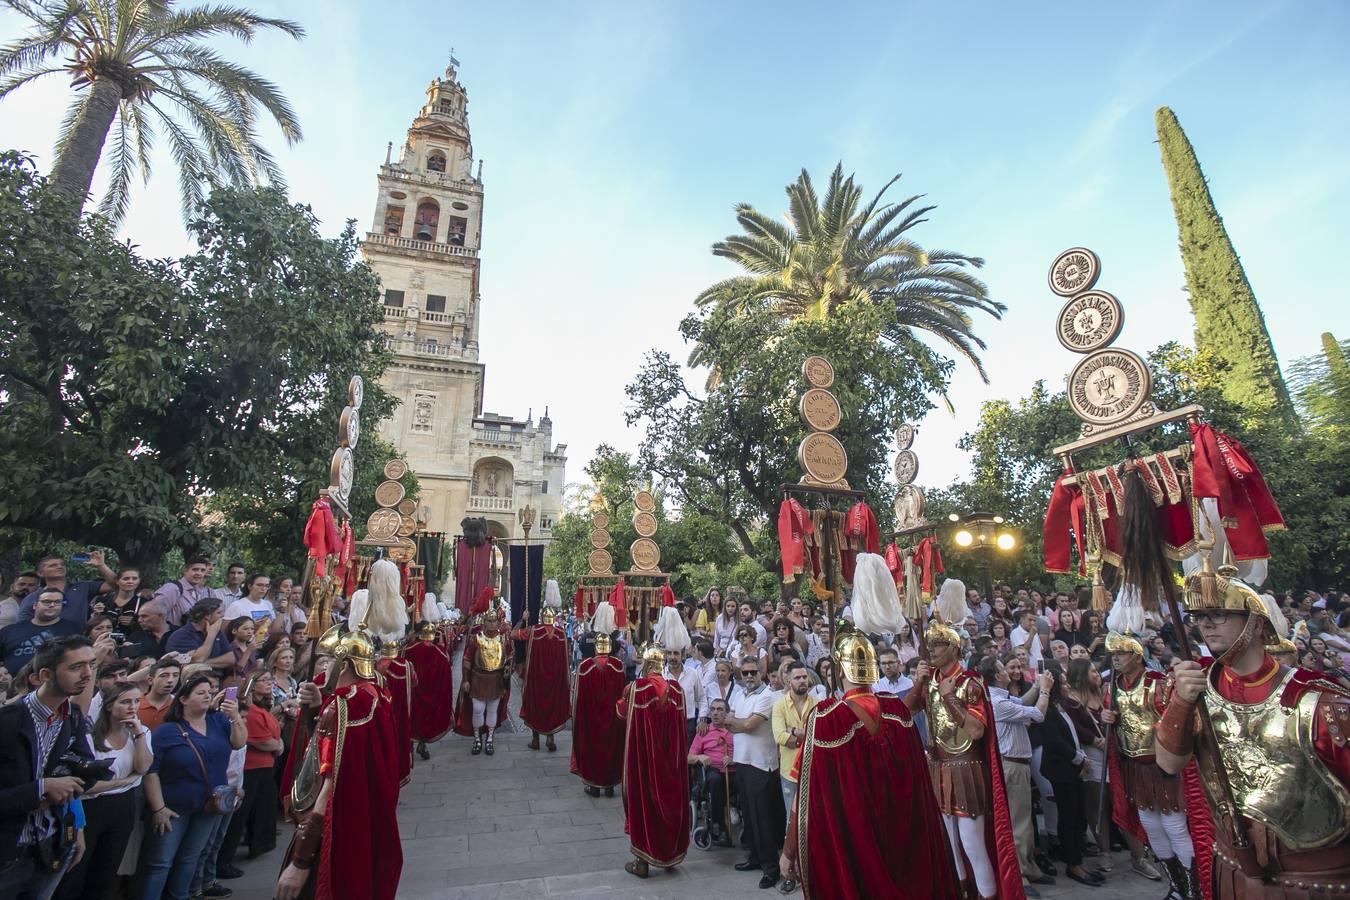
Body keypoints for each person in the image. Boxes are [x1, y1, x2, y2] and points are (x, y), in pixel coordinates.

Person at [1154, 567, 1348, 900]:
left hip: (1313, 878)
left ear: (1256, 624)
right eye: (1199, 615)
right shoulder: (1194, 689)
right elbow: (1169, 764)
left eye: (1219, 614)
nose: (1205, 623)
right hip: (1233, 870)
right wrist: (1181, 703)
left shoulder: (1315, 700)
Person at [781, 621, 959, 900]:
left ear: (839, 669)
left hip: (857, 847)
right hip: (904, 849)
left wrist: (789, 851)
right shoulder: (896, 712)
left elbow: (802, 799)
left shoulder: (827, 720)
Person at [907, 593, 1024, 900]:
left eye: (938, 644)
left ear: (954, 648)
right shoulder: (930, 681)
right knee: (949, 843)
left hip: (966, 768)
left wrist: (949, 699)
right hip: (938, 767)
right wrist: (919, 683)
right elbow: (905, 714)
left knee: (972, 843)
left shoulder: (970, 683)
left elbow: (975, 730)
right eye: (930, 644)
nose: (932, 649)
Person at [274, 622, 402, 900]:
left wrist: (301, 859)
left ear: (344, 665)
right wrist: (318, 707)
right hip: (363, 818)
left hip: (336, 826)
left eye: (330, 660)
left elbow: (329, 783)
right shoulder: (372, 692)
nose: (323, 668)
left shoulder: (344, 707)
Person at [1100, 631, 1206, 899]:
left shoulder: (1159, 683)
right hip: (1134, 766)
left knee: (1175, 827)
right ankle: (1177, 887)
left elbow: (1179, 724)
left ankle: (1195, 889)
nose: (1116, 659)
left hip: (1164, 767)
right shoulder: (1111, 688)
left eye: (1121, 653)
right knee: (1152, 827)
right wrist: (1107, 717)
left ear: (1137, 655)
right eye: (1113, 654)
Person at [0, 635, 96, 899]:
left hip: (52, 846)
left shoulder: (72, 717)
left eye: (91, 664)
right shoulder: (8, 721)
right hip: (7, 853)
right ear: (45, 674)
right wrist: (40, 790)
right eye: (76, 667)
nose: (87, 674)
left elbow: (83, 773)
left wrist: (76, 827)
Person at [138, 672, 246, 900]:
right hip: (173, 807)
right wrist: (158, 809)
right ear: (184, 699)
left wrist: (235, 716)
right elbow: (151, 772)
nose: (207, 696)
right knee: (160, 862)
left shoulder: (217, 722)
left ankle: (179, 896)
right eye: (200, 692)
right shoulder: (167, 731)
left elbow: (239, 742)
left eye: (209, 692)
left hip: (208, 805)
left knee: (191, 857)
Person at [55, 682, 151, 900]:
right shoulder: (88, 736)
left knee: (107, 869)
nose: (132, 707)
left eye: (137, 701)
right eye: (125, 701)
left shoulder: (141, 732)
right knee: (76, 869)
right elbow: (86, 785)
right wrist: (123, 782)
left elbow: (143, 767)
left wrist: (139, 736)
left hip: (123, 806)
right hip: (91, 806)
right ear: (109, 705)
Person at [981, 656, 1055, 896]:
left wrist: (1035, 686)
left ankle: (1028, 867)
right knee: (1017, 823)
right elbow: (1037, 714)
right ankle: (1019, 874)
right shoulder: (996, 702)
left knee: (1024, 819)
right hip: (1010, 765)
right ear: (996, 675)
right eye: (1003, 668)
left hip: (1016, 764)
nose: (1008, 672)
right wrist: (1044, 691)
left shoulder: (1000, 696)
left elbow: (1021, 702)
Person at [616, 642, 689, 879]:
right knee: (670, 802)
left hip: (645, 761)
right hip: (672, 762)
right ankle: (670, 857)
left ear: (646, 665)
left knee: (643, 804)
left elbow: (621, 713)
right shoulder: (677, 690)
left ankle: (642, 861)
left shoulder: (637, 689)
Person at [1038, 664, 1103, 887]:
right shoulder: (1049, 709)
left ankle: (1078, 861)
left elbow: (1072, 736)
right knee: (1068, 816)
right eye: (1064, 683)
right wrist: (1079, 758)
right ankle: (1073, 864)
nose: (1067, 686)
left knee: (1077, 817)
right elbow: (1055, 742)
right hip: (1062, 769)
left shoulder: (1063, 707)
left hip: (1073, 767)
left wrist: (1080, 756)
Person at [725, 651, 784, 890]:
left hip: (762, 764)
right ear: (740, 674)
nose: (749, 676)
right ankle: (755, 858)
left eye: (753, 672)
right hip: (742, 761)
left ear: (760, 673)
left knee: (764, 819)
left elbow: (749, 724)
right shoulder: (739, 694)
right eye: (745, 672)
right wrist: (738, 724)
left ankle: (771, 868)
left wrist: (735, 724)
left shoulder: (767, 696)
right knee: (749, 816)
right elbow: (735, 722)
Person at [218, 671, 281, 867]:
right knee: (240, 814)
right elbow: (261, 741)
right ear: (253, 685)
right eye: (265, 680)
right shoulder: (250, 711)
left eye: (271, 680)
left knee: (261, 809)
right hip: (251, 766)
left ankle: (257, 844)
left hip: (264, 765)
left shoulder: (261, 707)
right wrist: (277, 745)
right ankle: (224, 861)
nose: (270, 683)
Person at [571, 626, 626, 798]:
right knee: (611, 747)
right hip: (613, 718)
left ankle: (594, 786)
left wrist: (578, 719)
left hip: (591, 719)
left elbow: (577, 697)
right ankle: (609, 786)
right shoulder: (618, 666)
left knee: (593, 749)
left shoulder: (585, 666)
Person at [453, 599, 510, 756]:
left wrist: (508, 671)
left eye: (494, 621)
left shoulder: (503, 639)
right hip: (478, 678)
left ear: (498, 622)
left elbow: (509, 658)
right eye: (489, 621)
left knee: (492, 710)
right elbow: (467, 659)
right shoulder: (476, 638)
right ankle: (477, 739)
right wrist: (465, 679)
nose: (492, 624)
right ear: (485, 622)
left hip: (496, 679)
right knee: (478, 710)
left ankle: (489, 739)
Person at [770, 660, 816, 827]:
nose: (802, 680)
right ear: (789, 681)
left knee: (813, 820)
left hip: (812, 770)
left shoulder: (816, 704)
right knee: (792, 821)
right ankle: (793, 853)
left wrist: (793, 731)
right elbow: (780, 737)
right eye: (797, 677)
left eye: (804, 676)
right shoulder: (779, 706)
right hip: (790, 772)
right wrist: (804, 735)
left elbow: (818, 735)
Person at [521, 603, 570, 753]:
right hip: (555, 680)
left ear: (542, 618)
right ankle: (550, 738)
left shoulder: (534, 630)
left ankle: (535, 739)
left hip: (537, 679)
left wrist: (523, 620)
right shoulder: (561, 634)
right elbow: (566, 658)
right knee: (552, 706)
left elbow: (514, 634)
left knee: (535, 704)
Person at [405, 613, 454, 761]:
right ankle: (422, 743)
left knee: (412, 719)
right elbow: (447, 671)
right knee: (425, 718)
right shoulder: (439, 652)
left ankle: (411, 749)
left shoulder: (408, 649)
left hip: (413, 692)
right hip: (431, 692)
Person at [1, 588, 83, 675]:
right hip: (13, 684)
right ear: (35, 605)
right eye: (47, 601)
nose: (52, 605)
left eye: (57, 602)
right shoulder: (10, 630)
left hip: (53, 684)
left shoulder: (72, 629)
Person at [16, 554, 113, 626]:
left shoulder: (83, 587)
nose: (59, 566)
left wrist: (101, 565)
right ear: (40, 573)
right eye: (53, 565)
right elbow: (23, 626)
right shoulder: (32, 597)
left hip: (77, 644)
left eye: (62, 564)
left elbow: (114, 584)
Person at [688, 698, 734, 845]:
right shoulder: (704, 731)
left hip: (733, 770)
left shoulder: (735, 731)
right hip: (712, 772)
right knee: (715, 780)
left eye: (720, 710)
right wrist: (699, 757)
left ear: (727, 713)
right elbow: (688, 758)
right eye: (713, 709)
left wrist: (735, 759)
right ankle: (720, 827)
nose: (715, 713)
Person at [164, 600, 234, 671]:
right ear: (207, 616)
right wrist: (211, 635)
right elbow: (199, 659)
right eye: (219, 613)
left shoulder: (218, 632)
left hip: (216, 679)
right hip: (192, 679)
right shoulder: (180, 636)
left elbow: (230, 659)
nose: (223, 616)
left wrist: (200, 663)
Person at [152, 558, 220, 628]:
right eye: (195, 569)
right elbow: (153, 614)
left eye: (202, 570)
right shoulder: (172, 588)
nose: (199, 573)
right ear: (185, 571)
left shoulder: (199, 592)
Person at [664, 646, 706, 747]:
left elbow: (701, 698)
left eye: (676, 653)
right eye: (669, 653)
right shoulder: (660, 675)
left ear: (683, 656)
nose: (672, 657)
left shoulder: (693, 673)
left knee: (686, 759)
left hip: (688, 724)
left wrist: (702, 719)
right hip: (665, 724)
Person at [88, 567, 144, 635]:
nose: (130, 581)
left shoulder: (144, 603)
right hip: (104, 640)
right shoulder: (102, 600)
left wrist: (134, 623)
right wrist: (95, 614)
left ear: (139, 581)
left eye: (134, 579)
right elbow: (91, 624)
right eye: (126, 579)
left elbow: (150, 625)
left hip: (132, 641)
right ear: (117, 581)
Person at [139, 658, 182, 732]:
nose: (170, 680)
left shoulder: (180, 705)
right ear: (150, 680)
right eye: (164, 675)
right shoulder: (135, 703)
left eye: (175, 675)